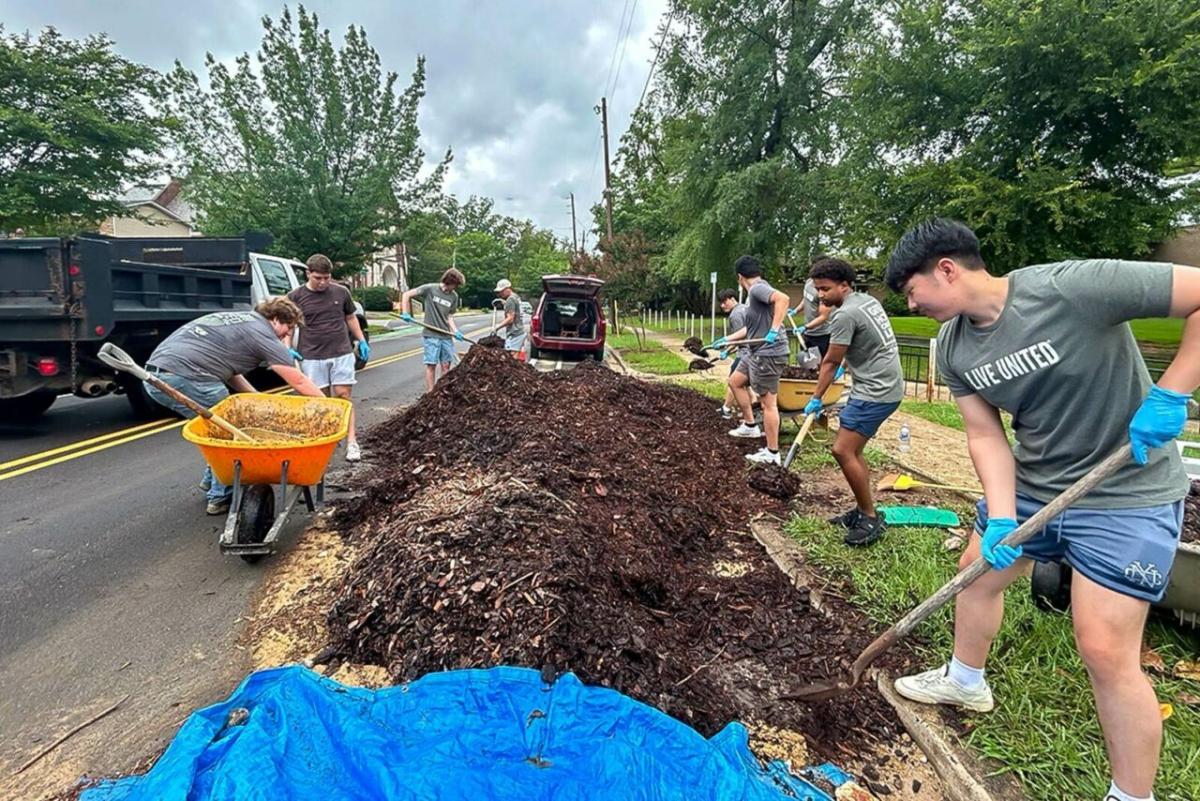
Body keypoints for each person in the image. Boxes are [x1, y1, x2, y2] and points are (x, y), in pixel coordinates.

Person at [883, 218, 1200, 801]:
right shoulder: (952, 347)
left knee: (1104, 648)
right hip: (1036, 487)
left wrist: (1173, 389)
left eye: (911, 293)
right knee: (975, 576)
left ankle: (1133, 795)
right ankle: (965, 681)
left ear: (946, 270)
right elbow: (985, 436)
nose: (912, 304)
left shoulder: (1074, 287)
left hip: (1124, 492)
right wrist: (1003, 515)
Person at [142, 298, 325, 514]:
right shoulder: (263, 333)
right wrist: (329, 404)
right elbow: (299, 381)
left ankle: (212, 480)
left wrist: (256, 397)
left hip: (155, 377)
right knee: (230, 435)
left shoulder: (242, 321)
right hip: (189, 377)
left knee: (216, 429)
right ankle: (220, 497)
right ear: (275, 319)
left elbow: (231, 372)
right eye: (288, 328)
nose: (286, 335)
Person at [803, 257, 904, 546]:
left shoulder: (844, 315)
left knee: (843, 450)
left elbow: (830, 361)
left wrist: (816, 398)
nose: (820, 296)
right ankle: (862, 509)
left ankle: (870, 517)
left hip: (876, 390)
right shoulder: (866, 301)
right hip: (885, 385)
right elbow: (857, 347)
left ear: (845, 285)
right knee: (853, 451)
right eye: (817, 289)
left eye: (825, 289)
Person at [288, 254, 369, 462]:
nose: (323, 282)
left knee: (343, 396)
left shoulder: (341, 292)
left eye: (327, 277)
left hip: (341, 351)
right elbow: (289, 326)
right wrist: (287, 349)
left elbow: (350, 317)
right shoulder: (296, 296)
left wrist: (361, 340)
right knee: (320, 401)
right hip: (312, 355)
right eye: (318, 278)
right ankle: (326, 441)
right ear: (308, 273)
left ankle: (352, 442)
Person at [714, 256, 790, 465]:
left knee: (768, 404)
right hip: (755, 351)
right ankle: (750, 426)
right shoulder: (754, 294)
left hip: (769, 353)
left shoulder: (757, 289)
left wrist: (774, 330)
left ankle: (772, 453)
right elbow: (752, 328)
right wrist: (726, 340)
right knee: (735, 381)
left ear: (739, 277)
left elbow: (783, 299)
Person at [401, 268, 466, 391]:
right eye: (455, 285)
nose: (455, 287)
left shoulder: (454, 296)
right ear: (449, 281)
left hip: (446, 336)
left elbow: (449, 316)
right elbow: (406, 295)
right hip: (431, 335)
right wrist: (405, 312)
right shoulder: (430, 289)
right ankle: (430, 393)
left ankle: (442, 391)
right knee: (431, 365)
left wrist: (455, 331)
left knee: (446, 365)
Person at [715, 289, 751, 421]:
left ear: (732, 299)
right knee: (744, 384)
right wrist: (728, 350)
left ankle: (727, 409)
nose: (722, 305)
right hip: (751, 351)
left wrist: (726, 348)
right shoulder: (744, 308)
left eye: (724, 302)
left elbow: (740, 338)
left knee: (733, 381)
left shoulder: (735, 315)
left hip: (745, 353)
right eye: (721, 303)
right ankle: (753, 408)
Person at [792, 275, 834, 358]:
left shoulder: (824, 292)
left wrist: (805, 327)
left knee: (821, 364)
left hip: (821, 335)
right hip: (808, 334)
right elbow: (806, 298)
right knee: (809, 363)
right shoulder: (808, 282)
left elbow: (823, 317)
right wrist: (795, 310)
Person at [493, 278, 525, 358]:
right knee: (513, 357)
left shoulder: (510, 300)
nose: (500, 293)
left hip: (514, 333)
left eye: (502, 291)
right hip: (519, 330)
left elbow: (510, 319)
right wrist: (504, 303)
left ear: (508, 288)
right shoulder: (515, 297)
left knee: (511, 358)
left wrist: (497, 327)